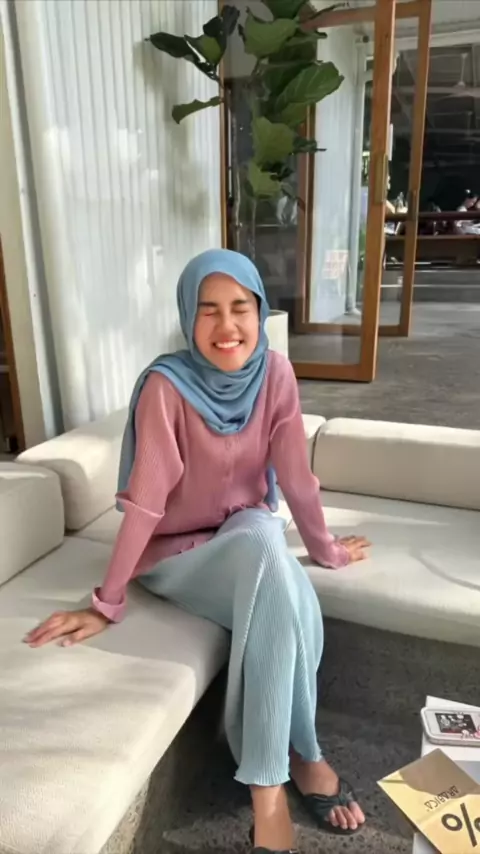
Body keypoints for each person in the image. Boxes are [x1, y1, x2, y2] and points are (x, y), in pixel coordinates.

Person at [24, 249, 369, 854]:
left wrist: (327, 550)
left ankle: (278, 772)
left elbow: (295, 477)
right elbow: (145, 503)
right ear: (188, 317)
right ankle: (291, 770)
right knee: (269, 554)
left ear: (260, 312)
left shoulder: (276, 375)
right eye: (208, 310)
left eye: (240, 308)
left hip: (246, 539)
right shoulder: (166, 386)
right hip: (177, 557)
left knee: (273, 558)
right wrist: (106, 602)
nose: (226, 325)